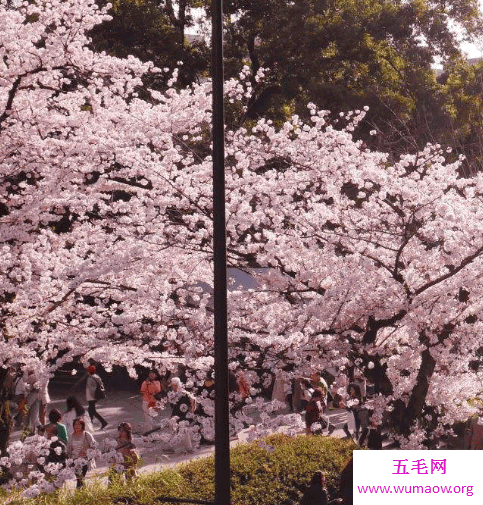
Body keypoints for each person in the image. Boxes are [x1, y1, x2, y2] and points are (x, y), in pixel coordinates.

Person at [66, 417, 96, 488]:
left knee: (80, 478)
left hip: (84, 460)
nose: (77, 426)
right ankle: (82, 494)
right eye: (75, 424)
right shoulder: (71, 436)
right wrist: (69, 461)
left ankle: (80, 494)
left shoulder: (87, 435)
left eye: (79, 424)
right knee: (79, 479)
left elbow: (94, 446)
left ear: (82, 425)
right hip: (74, 461)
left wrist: (86, 452)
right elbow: (68, 449)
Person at [85, 365, 108, 430]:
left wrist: (92, 396)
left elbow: (90, 389)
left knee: (92, 410)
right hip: (96, 396)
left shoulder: (90, 378)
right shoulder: (97, 377)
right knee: (90, 410)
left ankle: (103, 422)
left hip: (91, 396)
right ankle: (91, 424)